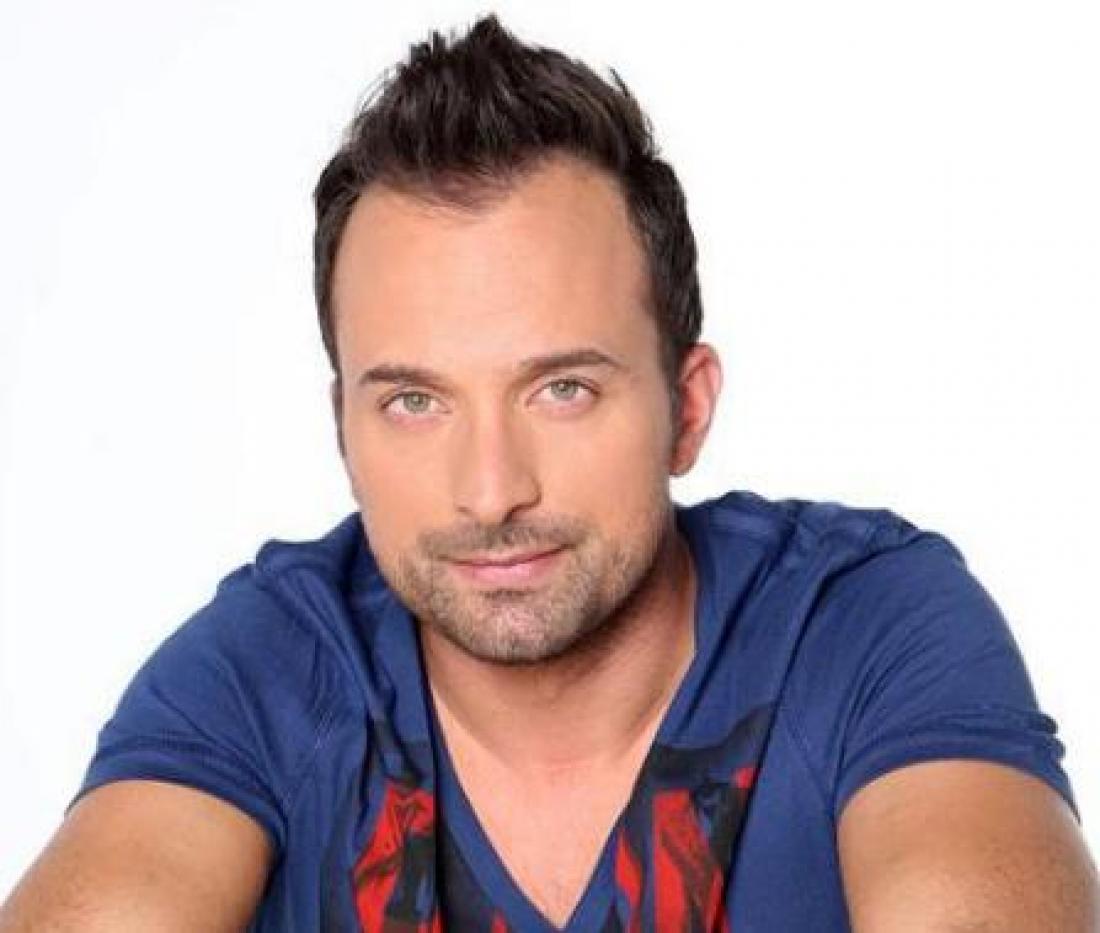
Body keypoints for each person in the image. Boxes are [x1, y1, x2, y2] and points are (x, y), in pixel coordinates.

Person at [1, 13, 1096, 932]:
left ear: (687, 408)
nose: (490, 492)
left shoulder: (860, 624)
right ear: (343, 430)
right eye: (414, 401)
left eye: (561, 388)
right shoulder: (272, 668)